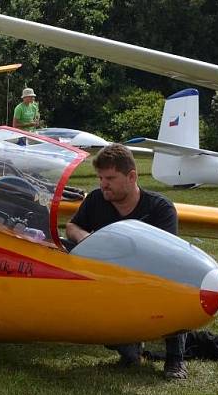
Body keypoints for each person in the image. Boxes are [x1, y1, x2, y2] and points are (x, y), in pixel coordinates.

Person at [65, 143, 188, 380]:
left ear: (132, 176)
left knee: (177, 286)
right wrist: (87, 239)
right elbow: (72, 225)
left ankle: (175, 359)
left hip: (151, 281)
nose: (103, 184)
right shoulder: (96, 200)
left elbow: (170, 256)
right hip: (110, 283)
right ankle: (128, 348)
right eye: (100, 177)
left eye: (110, 178)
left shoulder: (160, 208)